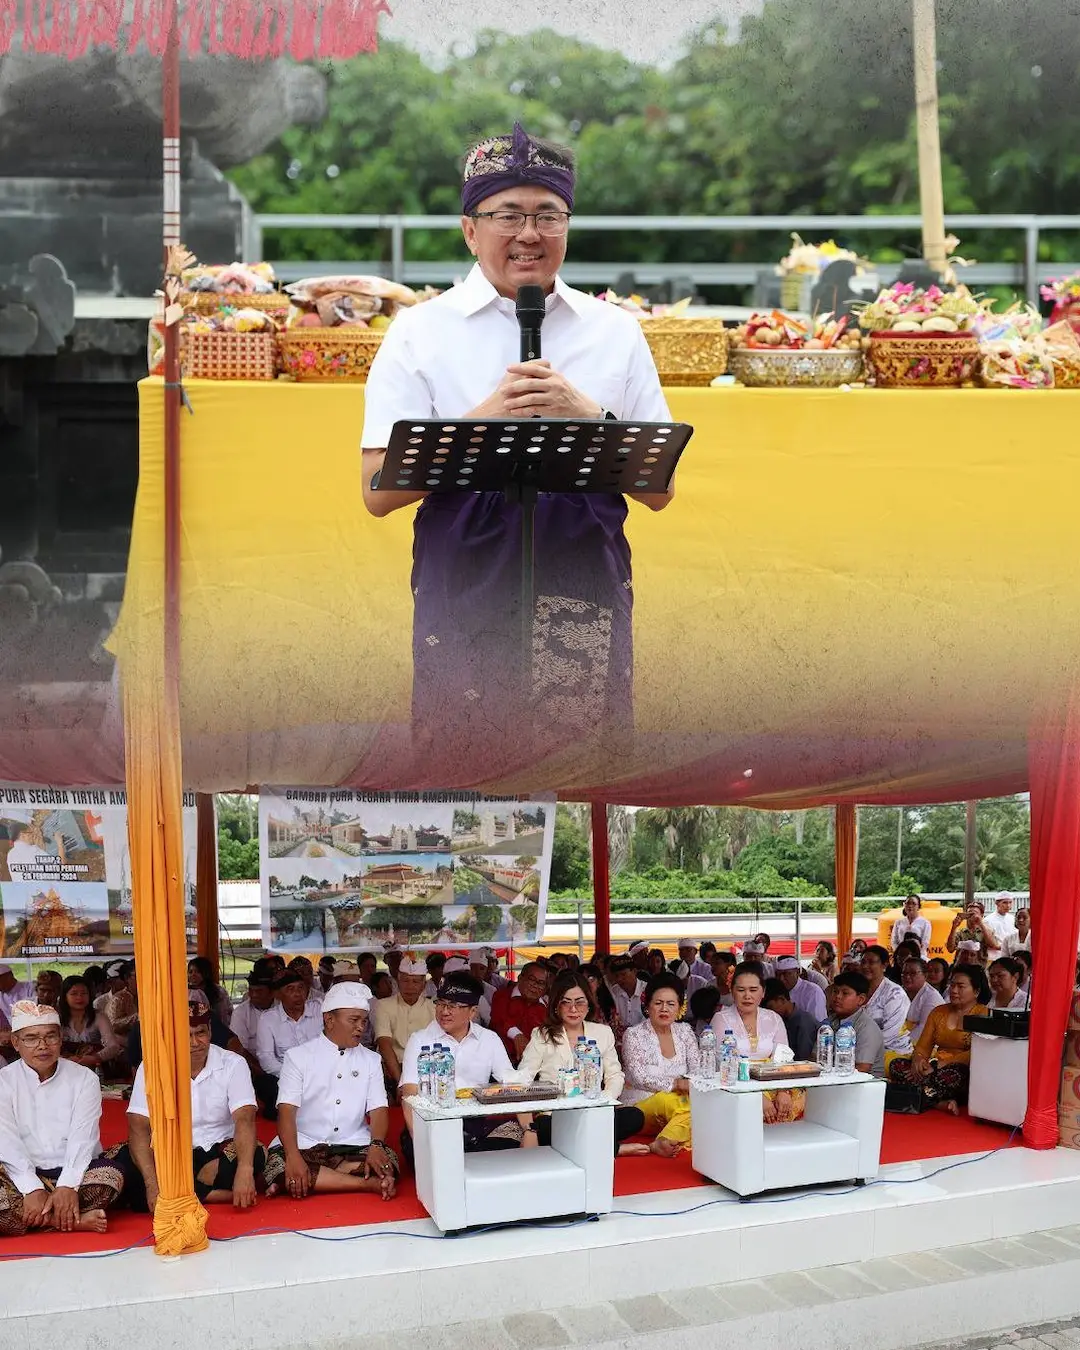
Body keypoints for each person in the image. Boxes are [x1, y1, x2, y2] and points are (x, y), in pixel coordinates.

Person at [360, 123, 674, 777]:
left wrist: (586, 415)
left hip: (579, 574)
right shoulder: (420, 333)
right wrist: (485, 423)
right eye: (508, 214)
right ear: (470, 228)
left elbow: (658, 489)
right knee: (465, 770)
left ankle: (572, 880)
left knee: (582, 767)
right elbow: (377, 490)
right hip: (467, 577)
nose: (529, 234)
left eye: (548, 215)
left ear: (567, 225)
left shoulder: (614, 332)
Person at [123, 993, 265, 1211]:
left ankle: (182, 1192)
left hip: (219, 1150)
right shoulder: (152, 1067)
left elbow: (244, 1119)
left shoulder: (233, 1063)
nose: (195, 1043)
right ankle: (216, 1194)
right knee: (131, 1175)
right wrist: (152, 1184)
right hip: (172, 1151)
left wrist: (245, 1172)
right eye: (186, 1035)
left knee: (250, 1158)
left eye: (201, 1033)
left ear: (210, 1030)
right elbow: (138, 1125)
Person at [264, 983, 397, 1201]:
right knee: (278, 1166)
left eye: (364, 1021)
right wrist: (293, 1156)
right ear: (329, 1019)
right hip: (305, 1142)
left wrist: (376, 1145)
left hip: (353, 1142)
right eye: (353, 1020)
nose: (361, 1027)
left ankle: (314, 1178)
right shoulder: (298, 1057)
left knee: (386, 1163)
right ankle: (363, 1183)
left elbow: (379, 1108)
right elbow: (286, 1112)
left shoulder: (372, 1060)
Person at [0, 1000, 123, 1235]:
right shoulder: (3, 1081)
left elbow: (83, 1137)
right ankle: (64, 1221)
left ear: (61, 1039)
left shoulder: (84, 1078)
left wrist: (68, 1185)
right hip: (17, 1176)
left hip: (75, 1173)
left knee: (110, 1178)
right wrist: (32, 1188)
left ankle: (39, 1215)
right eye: (31, 1038)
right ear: (16, 1043)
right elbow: (5, 1141)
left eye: (51, 1036)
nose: (43, 1046)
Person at [515, 972, 646, 1155]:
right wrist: (529, 1127)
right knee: (545, 1128)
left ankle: (579, 1142)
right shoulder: (542, 1034)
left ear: (589, 1003)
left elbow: (615, 1075)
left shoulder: (602, 1032)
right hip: (555, 1116)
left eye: (580, 1002)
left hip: (593, 1111)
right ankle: (612, 1148)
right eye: (566, 1002)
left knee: (634, 1117)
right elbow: (522, 1080)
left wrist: (602, 1103)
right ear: (556, 1005)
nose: (573, 1009)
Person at [400, 973, 528, 1159]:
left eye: (453, 1006)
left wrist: (529, 1129)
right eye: (441, 1003)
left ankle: (467, 1155)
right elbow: (409, 1095)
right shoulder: (419, 1040)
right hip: (433, 1122)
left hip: (475, 1123)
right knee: (418, 1149)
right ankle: (470, 1158)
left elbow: (512, 1086)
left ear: (473, 1012)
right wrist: (421, 1141)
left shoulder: (489, 1039)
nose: (444, 1011)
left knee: (515, 1132)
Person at [889, 965, 990, 1113]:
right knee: (896, 1065)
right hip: (931, 1068)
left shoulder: (984, 1014)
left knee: (954, 1075)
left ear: (976, 991)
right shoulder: (938, 1012)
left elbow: (975, 1053)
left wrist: (938, 1065)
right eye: (952, 985)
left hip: (959, 1071)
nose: (954, 990)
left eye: (960, 986)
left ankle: (908, 1095)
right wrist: (918, 1061)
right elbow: (923, 1046)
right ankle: (937, 1102)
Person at [713, 964, 803, 1123]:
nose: (747, 995)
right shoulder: (721, 1019)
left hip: (773, 1082)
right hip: (736, 1086)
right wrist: (757, 1096)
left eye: (753, 990)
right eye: (741, 990)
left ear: (763, 993)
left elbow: (784, 1057)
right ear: (732, 992)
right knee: (748, 1107)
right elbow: (723, 1063)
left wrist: (783, 1091)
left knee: (797, 1102)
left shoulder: (774, 1018)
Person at [620, 974, 699, 1156]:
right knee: (673, 1102)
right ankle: (679, 1134)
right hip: (641, 1107)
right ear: (647, 1005)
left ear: (680, 1007)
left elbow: (696, 1071)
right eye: (658, 1003)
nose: (664, 1009)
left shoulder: (685, 1031)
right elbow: (639, 1078)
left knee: (698, 1105)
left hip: (680, 1103)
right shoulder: (634, 1035)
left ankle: (663, 1140)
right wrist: (676, 1084)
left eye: (671, 1004)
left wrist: (689, 1084)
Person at [254, 969, 323, 1119]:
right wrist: (295, 1076)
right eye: (290, 989)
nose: (297, 994)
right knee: (265, 1083)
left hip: (322, 1074)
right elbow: (266, 1059)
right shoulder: (268, 1019)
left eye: (300, 988)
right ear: (278, 995)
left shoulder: (319, 1009)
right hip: (286, 1076)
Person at [372, 955, 435, 1097]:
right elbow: (384, 1043)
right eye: (405, 980)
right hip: (392, 1069)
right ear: (397, 981)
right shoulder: (383, 1005)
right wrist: (401, 1080)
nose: (410, 986)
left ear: (424, 985)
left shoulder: (433, 1008)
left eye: (415, 982)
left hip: (426, 1071)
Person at [58, 975, 123, 1073]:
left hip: (93, 1068)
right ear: (65, 997)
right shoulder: (57, 1017)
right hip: (63, 1068)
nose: (79, 997)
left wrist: (94, 1058)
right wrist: (65, 1060)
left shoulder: (99, 1017)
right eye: (74, 993)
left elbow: (113, 1046)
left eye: (84, 993)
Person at [825, 973, 885, 1076]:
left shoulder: (867, 1027)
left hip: (863, 1087)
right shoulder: (830, 1021)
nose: (837, 997)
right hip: (833, 1081)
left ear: (861, 999)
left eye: (845, 993)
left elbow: (862, 1068)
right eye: (835, 991)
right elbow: (816, 1057)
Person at [490, 961, 549, 1062]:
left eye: (541, 983)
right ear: (520, 978)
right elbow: (499, 1019)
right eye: (531, 979)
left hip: (533, 1064)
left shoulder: (545, 1009)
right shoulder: (502, 996)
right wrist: (517, 1035)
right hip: (499, 1061)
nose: (535, 986)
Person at [861, 945, 911, 1053]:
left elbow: (889, 1035)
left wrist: (859, 1049)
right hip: (861, 1049)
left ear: (884, 965)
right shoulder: (858, 990)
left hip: (892, 1052)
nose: (865, 966)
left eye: (871, 962)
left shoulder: (895, 994)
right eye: (863, 962)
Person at [762, 979, 820, 1061]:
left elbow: (803, 1058)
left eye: (770, 1008)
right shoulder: (780, 1020)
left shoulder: (804, 1021)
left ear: (781, 1000)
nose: (768, 1012)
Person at [230, 966, 277, 1067]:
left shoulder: (282, 1008)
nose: (254, 995)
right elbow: (239, 1050)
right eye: (251, 990)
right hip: (253, 1067)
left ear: (272, 993)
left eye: (259, 991)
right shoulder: (240, 1013)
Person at [900, 958, 945, 1045]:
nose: (907, 976)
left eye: (913, 973)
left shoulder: (931, 997)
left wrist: (897, 1044)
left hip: (927, 1045)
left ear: (925, 975)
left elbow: (924, 1029)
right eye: (904, 973)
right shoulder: (899, 992)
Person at [774, 956, 827, 1022]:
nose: (781, 979)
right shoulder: (774, 991)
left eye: (786, 974)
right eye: (778, 975)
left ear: (798, 972)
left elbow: (818, 1023)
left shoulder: (813, 992)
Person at [188, 956, 233, 1027]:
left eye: (198, 972)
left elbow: (224, 1016)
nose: (193, 975)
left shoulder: (219, 991)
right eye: (190, 972)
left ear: (206, 973)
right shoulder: (187, 992)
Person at [605, 955, 646, 1030]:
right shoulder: (614, 992)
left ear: (634, 971)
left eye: (623, 974)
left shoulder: (647, 990)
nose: (619, 979)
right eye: (617, 976)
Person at [947, 901, 992, 966]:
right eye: (969, 913)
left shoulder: (986, 932)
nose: (971, 915)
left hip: (980, 967)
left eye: (975, 913)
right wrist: (954, 927)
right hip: (961, 967)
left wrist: (981, 924)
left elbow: (992, 945)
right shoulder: (961, 932)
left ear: (981, 915)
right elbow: (950, 949)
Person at [891, 895, 932, 959]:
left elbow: (925, 943)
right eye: (908, 903)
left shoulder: (925, 923)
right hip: (901, 956)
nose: (910, 906)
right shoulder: (898, 922)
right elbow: (894, 941)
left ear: (918, 907)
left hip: (919, 957)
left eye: (914, 904)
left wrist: (915, 955)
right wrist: (900, 953)